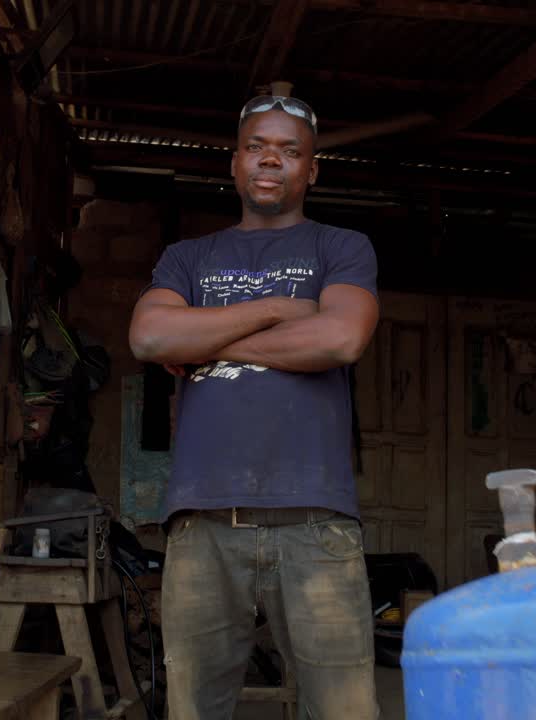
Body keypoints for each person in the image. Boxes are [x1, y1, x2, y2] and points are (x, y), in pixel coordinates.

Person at [128, 95, 381, 719]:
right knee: (193, 709)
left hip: (316, 522)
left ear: (311, 171)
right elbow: (151, 338)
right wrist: (276, 309)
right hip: (202, 524)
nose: (273, 160)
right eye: (259, 147)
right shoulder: (188, 257)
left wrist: (205, 335)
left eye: (292, 151)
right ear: (235, 163)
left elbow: (341, 338)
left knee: (345, 709)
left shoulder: (342, 247)